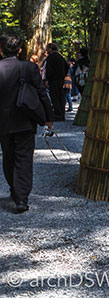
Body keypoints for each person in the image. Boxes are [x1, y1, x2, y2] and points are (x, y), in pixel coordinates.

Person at [0, 32, 55, 213]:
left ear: (0, 50)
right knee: (24, 158)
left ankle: (15, 190)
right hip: (25, 120)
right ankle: (21, 198)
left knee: (8, 156)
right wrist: (48, 119)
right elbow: (41, 94)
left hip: (3, 122)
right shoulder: (29, 68)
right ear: (20, 49)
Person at [43, 42, 69, 121]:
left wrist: (47, 79)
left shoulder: (51, 57)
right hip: (60, 79)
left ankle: (57, 114)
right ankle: (62, 114)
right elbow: (67, 66)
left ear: (50, 48)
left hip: (53, 80)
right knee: (60, 96)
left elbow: (49, 69)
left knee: (54, 97)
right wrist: (63, 75)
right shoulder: (60, 57)